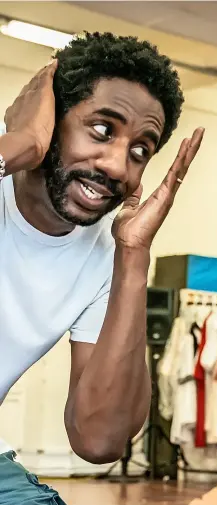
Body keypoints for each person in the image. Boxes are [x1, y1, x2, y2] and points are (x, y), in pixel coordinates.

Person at [0, 32, 204, 503]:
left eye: (139, 151)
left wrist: (133, 257)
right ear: (51, 120)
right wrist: (20, 144)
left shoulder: (103, 257)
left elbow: (99, 440)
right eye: (101, 130)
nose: (116, 165)